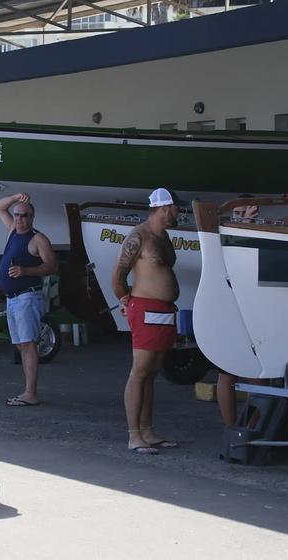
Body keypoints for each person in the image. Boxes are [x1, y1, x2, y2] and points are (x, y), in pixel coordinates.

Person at [113, 187, 182, 454]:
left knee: (152, 374)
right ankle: (134, 435)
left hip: (163, 310)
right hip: (144, 308)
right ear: (164, 208)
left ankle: (147, 429)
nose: (179, 212)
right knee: (140, 371)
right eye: (176, 208)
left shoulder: (164, 237)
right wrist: (126, 300)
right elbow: (118, 275)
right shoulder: (138, 237)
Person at [0, 192, 58, 407]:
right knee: (22, 344)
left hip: (27, 296)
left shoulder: (38, 239)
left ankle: (31, 392)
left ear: (32, 217)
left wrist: (26, 270)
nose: (20, 219)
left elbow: (51, 266)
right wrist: (14, 198)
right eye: (18, 215)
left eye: (24, 215)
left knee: (28, 344)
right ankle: (28, 390)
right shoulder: (13, 230)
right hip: (13, 298)